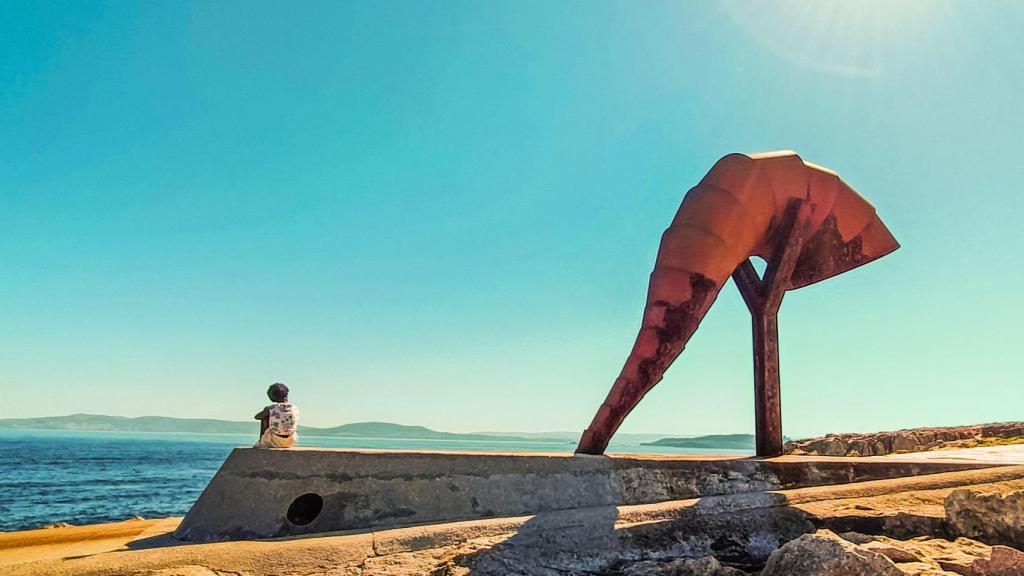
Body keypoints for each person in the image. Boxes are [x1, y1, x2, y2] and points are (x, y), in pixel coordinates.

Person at [253, 382, 300, 448]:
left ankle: (261, 442)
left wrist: (267, 413)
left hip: (275, 440)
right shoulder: (295, 408)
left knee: (265, 417)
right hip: (291, 440)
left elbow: (257, 417)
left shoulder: (270, 408)